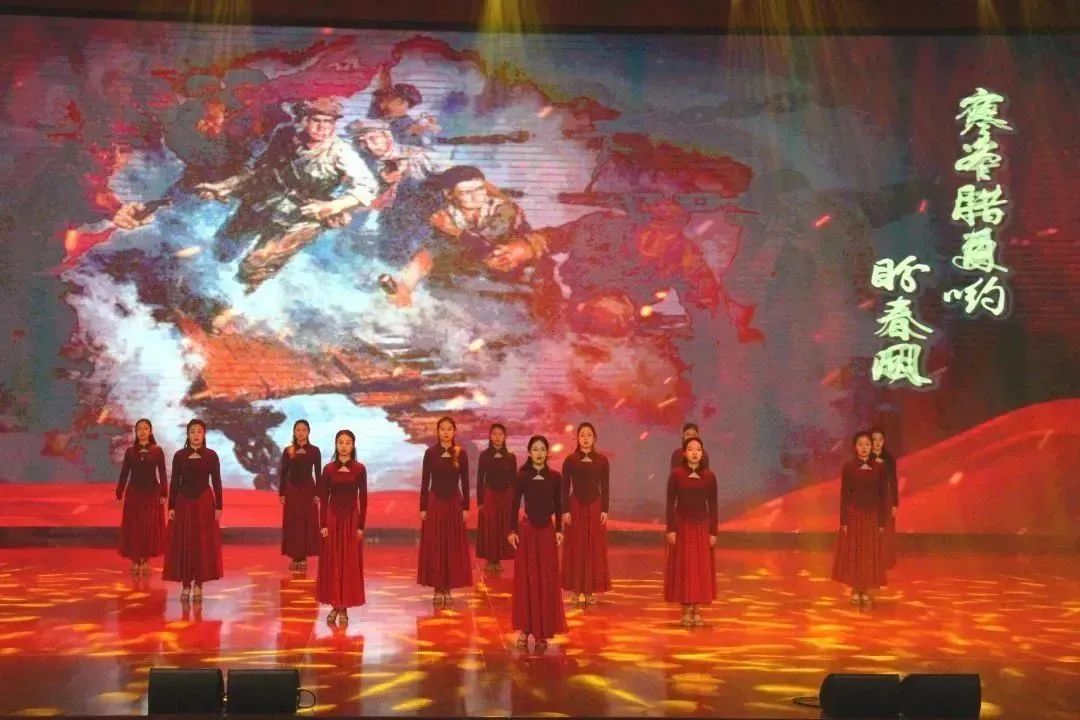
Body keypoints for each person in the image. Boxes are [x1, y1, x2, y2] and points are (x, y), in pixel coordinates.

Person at [193, 97, 379, 291]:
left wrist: (331, 207)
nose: (322, 127)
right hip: (266, 200)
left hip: (302, 215)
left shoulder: (341, 152)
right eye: (316, 121)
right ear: (305, 120)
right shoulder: (285, 134)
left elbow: (368, 186)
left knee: (257, 265)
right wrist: (225, 186)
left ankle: (240, 298)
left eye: (328, 122)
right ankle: (201, 286)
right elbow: (261, 167)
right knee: (223, 247)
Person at [508, 435, 567, 650]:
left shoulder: (555, 477)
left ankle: (542, 631)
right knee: (527, 580)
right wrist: (512, 531)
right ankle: (525, 629)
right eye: (535, 449)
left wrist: (559, 529)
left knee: (545, 580)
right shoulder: (522, 476)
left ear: (547, 452)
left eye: (542, 449)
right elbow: (514, 504)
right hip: (527, 533)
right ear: (529, 452)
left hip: (547, 533)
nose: (539, 453)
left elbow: (559, 505)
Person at [163, 419, 223, 601]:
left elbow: (217, 482)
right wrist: (171, 506)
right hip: (184, 502)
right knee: (185, 542)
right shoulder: (180, 455)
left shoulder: (211, 455)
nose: (196, 435)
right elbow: (175, 482)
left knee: (201, 543)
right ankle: (186, 584)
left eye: (199, 431)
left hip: (204, 502)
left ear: (204, 434)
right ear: (188, 435)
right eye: (192, 431)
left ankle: (199, 583)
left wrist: (219, 506)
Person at [417, 416, 473, 605]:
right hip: (435, 502)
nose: (446, 432)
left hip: (454, 503)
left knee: (451, 545)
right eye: (443, 429)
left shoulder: (460, 453)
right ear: (437, 432)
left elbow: (465, 482)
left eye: (449, 429)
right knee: (436, 544)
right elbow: (425, 481)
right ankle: (437, 588)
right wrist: (423, 507)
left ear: (454, 432)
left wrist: (466, 507)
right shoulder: (430, 453)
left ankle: (447, 588)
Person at [664, 437, 718, 627]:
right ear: (684, 453)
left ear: (702, 453)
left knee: (700, 568)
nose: (695, 452)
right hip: (682, 526)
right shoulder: (676, 475)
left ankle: (697, 609)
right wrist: (671, 529)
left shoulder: (709, 477)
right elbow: (670, 503)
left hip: (702, 526)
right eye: (691, 449)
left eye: (698, 449)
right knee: (685, 568)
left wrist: (713, 532)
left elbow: (713, 506)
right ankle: (685, 610)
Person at [316, 429, 368, 626]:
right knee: (333, 562)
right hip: (332, 519)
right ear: (336, 445)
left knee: (348, 563)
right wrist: (323, 523)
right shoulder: (328, 469)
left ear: (353, 445)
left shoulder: (359, 469)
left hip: (351, 521)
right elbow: (323, 499)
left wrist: (361, 525)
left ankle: (342, 607)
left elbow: (363, 499)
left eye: (348, 442)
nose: (344, 446)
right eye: (340, 442)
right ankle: (336, 605)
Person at [832, 431, 889, 606]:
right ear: (855, 447)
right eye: (860, 444)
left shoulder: (879, 467)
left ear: (872, 447)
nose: (864, 448)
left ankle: (864, 590)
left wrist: (882, 521)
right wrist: (844, 521)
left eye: (867, 444)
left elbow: (883, 496)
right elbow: (844, 495)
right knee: (855, 553)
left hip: (872, 515)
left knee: (868, 554)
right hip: (854, 514)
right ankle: (855, 589)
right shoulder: (849, 466)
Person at [560, 422, 611, 605]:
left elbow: (605, 486)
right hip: (575, 506)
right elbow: (564, 487)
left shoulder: (602, 460)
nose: (586, 438)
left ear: (594, 438)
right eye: (582, 435)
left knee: (592, 547)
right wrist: (565, 510)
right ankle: (576, 590)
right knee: (576, 547)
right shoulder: (570, 460)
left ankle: (590, 591)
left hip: (595, 506)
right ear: (577, 438)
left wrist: (604, 509)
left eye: (589, 435)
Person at [115, 418, 168, 575]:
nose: (143, 431)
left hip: (152, 493)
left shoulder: (157, 450)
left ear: (150, 431)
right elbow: (124, 473)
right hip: (134, 493)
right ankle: (135, 560)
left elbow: (163, 473)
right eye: (139, 429)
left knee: (148, 527)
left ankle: (145, 560)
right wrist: (119, 492)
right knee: (134, 526)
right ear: (136, 432)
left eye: (146, 428)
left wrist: (164, 493)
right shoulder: (130, 452)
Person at [279, 419, 322, 571]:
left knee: (306, 522)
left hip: (308, 490)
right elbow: (283, 473)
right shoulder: (288, 451)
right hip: (292, 490)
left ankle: (303, 557)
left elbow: (318, 472)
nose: (301, 432)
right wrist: (282, 493)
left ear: (308, 432)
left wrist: (318, 492)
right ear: (294, 432)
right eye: (298, 430)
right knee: (293, 522)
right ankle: (294, 556)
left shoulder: (315, 451)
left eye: (304, 430)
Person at [475, 423, 517, 572]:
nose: (497, 437)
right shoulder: (484, 455)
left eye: (500, 434)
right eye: (494, 434)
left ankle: (498, 559)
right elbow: (480, 479)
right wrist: (480, 500)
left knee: (503, 527)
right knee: (490, 527)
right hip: (490, 495)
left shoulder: (511, 456)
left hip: (506, 495)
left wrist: (515, 500)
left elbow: (514, 480)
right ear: (490, 436)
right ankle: (490, 559)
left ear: (505, 437)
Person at [869, 427, 899, 569]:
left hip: (885, 497)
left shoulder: (889, 459)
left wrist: (895, 503)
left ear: (884, 441)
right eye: (874, 439)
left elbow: (893, 481)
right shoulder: (864, 458)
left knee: (886, 530)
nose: (877, 442)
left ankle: (885, 560)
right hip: (869, 496)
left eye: (880, 439)